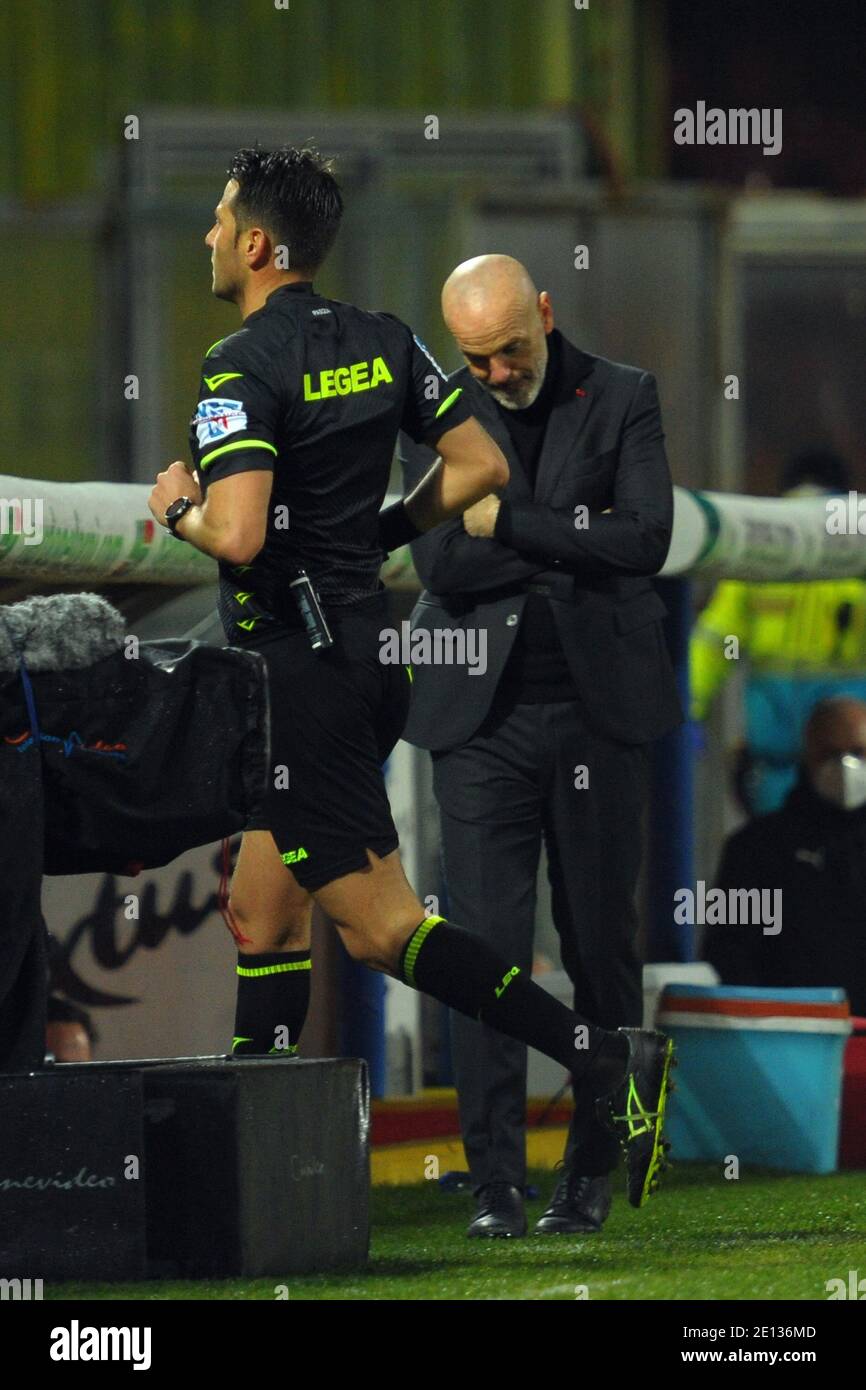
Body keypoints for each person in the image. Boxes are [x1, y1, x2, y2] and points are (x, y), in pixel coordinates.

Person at [147, 144, 674, 1212]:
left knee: (384, 929)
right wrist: (383, 528)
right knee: (260, 908)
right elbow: (478, 465)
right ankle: (254, 1175)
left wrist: (173, 506)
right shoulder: (383, 339)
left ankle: (598, 1053)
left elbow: (240, 535)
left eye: (215, 220)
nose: (206, 236)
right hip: (362, 653)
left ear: (255, 242)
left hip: (294, 677)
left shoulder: (237, 363)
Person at [398, 255, 682, 1237]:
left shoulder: (624, 395)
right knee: (481, 954)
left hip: (599, 712)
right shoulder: (438, 406)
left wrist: (509, 520)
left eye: (510, 350)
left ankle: (590, 1173)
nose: (495, 373)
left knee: (601, 944)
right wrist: (572, 533)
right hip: (477, 723)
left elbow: (646, 537)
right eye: (474, 358)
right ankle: (494, 1187)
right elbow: (435, 553)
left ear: (545, 316)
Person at [690, 451, 866, 816]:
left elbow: (714, 642)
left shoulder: (764, 542)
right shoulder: (856, 545)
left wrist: (685, 712)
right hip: (850, 752)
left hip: (774, 751)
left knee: (777, 852)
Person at [703, 696, 866, 1014]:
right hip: (791, 1040)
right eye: (831, 753)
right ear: (808, 755)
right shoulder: (755, 849)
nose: (846, 766)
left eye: (858, 753)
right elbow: (727, 953)